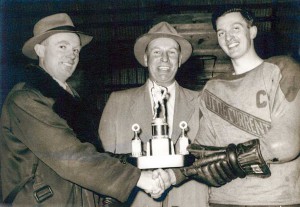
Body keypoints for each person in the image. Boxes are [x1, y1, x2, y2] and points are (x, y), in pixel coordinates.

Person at [0, 13, 167, 206]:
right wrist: (138, 178)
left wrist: (137, 165)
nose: (71, 55)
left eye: (76, 50)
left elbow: (91, 153)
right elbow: (68, 155)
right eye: (62, 46)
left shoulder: (71, 99)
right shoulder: (25, 99)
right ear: (40, 50)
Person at [178, 5, 300, 207]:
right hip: (223, 201)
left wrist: (228, 161)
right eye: (221, 32)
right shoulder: (212, 88)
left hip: (277, 200)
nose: (228, 37)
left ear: (252, 31)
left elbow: (285, 143)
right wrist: (171, 174)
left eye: (236, 28)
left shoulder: (283, 69)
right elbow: (200, 150)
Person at [99, 22, 208, 207]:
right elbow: (106, 164)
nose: (164, 59)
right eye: (157, 52)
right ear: (146, 58)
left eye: (172, 52)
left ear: (180, 59)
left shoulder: (202, 102)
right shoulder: (117, 102)